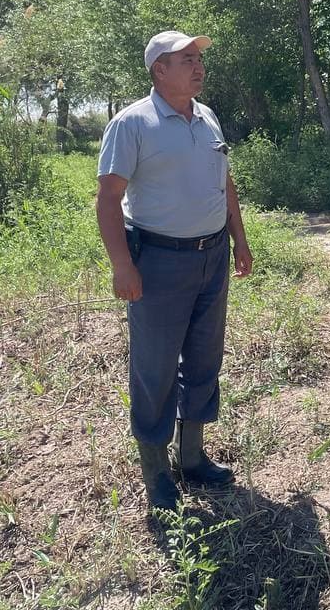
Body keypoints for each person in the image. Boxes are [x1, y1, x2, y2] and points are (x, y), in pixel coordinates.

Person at [96, 31, 253, 512]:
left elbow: (223, 182)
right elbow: (108, 199)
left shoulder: (207, 118)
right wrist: (123, 265)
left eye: (199, 58)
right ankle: (157, 475)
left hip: (212, 259)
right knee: (156, 368)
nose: (198, 66)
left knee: (204, 360)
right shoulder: (133, 123)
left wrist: (239, 240)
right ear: (159, 69)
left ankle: (192, 458)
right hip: (159, 262)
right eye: (186, 59)